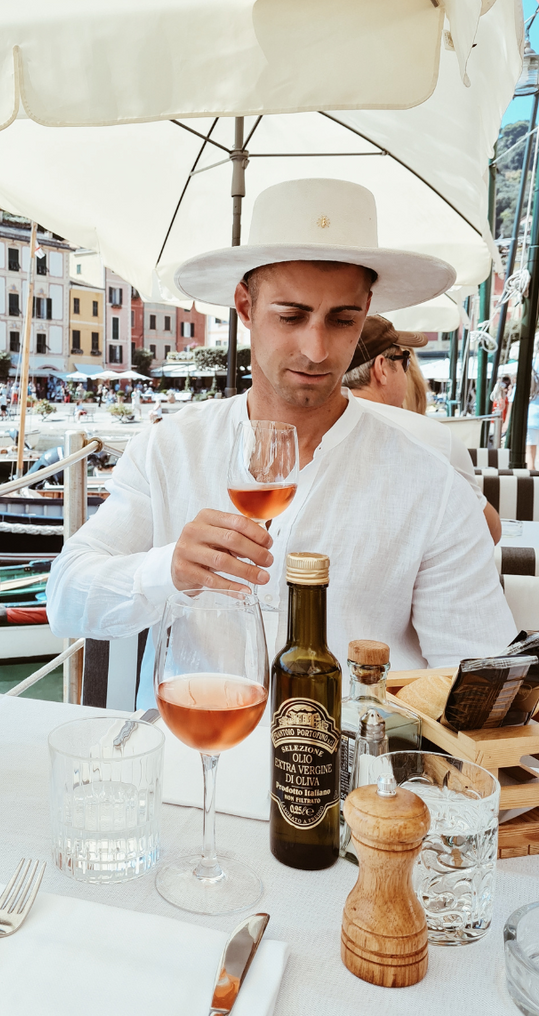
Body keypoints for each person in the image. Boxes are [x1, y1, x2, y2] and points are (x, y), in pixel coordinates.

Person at [47, 178, 515, 705]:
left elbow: (479, 685)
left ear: (366, 312)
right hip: (196, 763)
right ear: (245, 307)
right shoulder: (172, 448)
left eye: (342, 320)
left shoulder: (429, 486)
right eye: (290, 317)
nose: (316, 350)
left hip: (348, 773)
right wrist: (167, 569)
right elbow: (66, 596)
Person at [342, 315, 500, 542]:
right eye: (404, 361)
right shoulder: (433, 437)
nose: (407, 371)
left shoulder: (313, 428)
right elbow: (487, 532)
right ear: (381, 369)